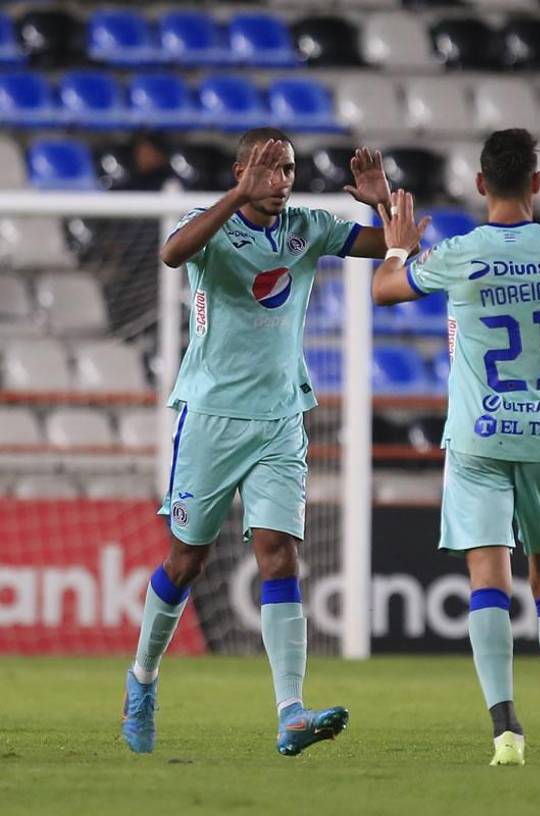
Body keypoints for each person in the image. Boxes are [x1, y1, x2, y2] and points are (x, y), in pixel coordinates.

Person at [370, 128, 540, 767]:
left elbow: (385, 290)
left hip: (479, 437)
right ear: (538, 184)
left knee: (486, 577)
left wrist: (396, 248)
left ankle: (505, 728)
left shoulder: (460, 253)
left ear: (478, 184)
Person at [122, 127, 396, 757]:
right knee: (186, 561)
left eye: (289, 170)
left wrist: (381, 202)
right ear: (243, 171)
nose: (282, 181)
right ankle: (141, 679)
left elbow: (392, 245)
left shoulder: (309, 228)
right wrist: (233, 196)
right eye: (269, 171)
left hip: (280, 418)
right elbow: (171, 253)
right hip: (211, 417)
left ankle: (290, 711)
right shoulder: (208, 223)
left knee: (279, 554)